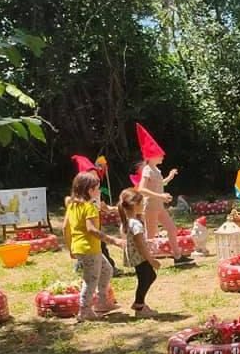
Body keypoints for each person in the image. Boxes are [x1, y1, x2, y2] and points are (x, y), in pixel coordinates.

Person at [63, 172, 123, 321]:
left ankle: (102, 302)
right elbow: (91, 229)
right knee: (91, 280)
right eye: (97, 189)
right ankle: (84, 311)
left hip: (82, 248)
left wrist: (70, 248)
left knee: (106, 269)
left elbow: (65, 227)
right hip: (89, 249)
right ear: (90, 190)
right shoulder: (89, 207)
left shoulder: (72, 205)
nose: (99, 192)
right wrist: (113, 240)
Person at [134, 123, 194, 266]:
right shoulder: (148, 170)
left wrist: (169, 177)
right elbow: (141, 189)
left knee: (172, 229)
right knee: (151, 235)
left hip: (159, 206)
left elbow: (159, 184)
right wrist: (160, 196)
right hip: (151, 207)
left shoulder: (156, 170)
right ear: (152, 156)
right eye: (160, 154)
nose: (163, 156)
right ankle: (146, 260)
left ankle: (178, 256)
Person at [70, 154, 121, 277]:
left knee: (96, 245)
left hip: (95, 219)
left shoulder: (95, 191)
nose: (96, 176)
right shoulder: (85, 200)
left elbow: (102, 205)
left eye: (96, 173)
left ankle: (81, 264)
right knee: (99, 244)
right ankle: (110, 268)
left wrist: (115, 209)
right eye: (92, 173)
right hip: (91, 222)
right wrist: (114, 240)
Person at [117, 188, 161, 317]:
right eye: (142, 204)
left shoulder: (128, 221)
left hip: (135, 257)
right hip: (140, 257)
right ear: (135, 205)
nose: (144, 205)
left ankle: (139, 303)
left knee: (147, 277)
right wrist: (151, 260)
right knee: (147, 277)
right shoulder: (135, 224)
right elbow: (140, 244)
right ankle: (139, 306)